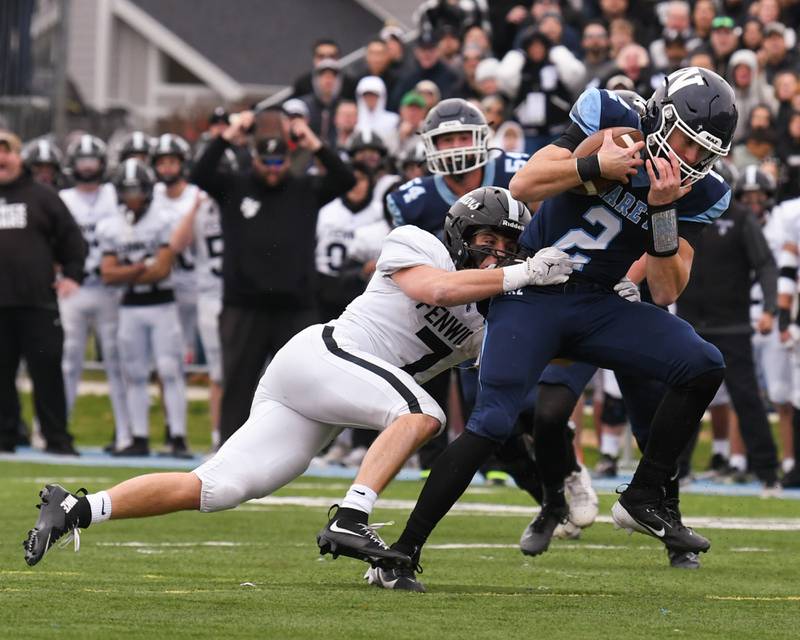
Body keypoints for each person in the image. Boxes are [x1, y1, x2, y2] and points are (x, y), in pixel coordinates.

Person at [21, 186, 573, 567]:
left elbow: (542, 355)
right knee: (422, 412)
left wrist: (597, 307)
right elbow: (438, 291)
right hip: (322, 356)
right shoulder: (419, 242)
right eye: (486, 240)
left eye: (506, 247)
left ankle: (75, 508)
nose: (494, 253)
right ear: (459, 231)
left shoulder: (492, 318)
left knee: (217, 487)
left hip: (330, 399)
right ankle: (353, 517)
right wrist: (522, 272)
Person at [360, 67, 738, 591]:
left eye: (704, 153)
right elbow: (524, 183)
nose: (692, 160)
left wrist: (663, 212)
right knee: (491, 421)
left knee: (702, 364)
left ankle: (645, 495)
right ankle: (402, 552)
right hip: (535, 291)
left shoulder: (702, 191)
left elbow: (669, 288)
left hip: (602, 302)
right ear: (659, 119)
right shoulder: (611, 116)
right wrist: (595, 164)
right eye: (685, 143)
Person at [190, 111, 355, 445]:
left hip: (295, 306)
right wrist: (229, 135)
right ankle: (230, 449)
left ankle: (303, 448)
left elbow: (345, 179)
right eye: (267, 162)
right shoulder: (234, 186)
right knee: (238, 383)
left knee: (304, 381)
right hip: (243, 305)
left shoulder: (305, 188)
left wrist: (313, 143)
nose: (274, 168)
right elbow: (200, 172)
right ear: (255, 159)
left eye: (280, 161)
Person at [676, 165, 782, 492]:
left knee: (747, 398)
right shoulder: (681, 214)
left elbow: (765, 264)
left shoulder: (739, 218)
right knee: (682, 399)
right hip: (689, 323)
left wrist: (769, 307)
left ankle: (767, 472)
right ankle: (673, 471)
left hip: (733, 325)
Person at [0, 130, 86, 455]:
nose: (0, 159)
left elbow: (72, 239)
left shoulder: (43, 196)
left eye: (5, 151)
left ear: (19, 156)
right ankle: (5, 437)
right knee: (1, 376)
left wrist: (72, 276)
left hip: (37, 305)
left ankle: (56, 438)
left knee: (47, 372)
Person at [97, 160, 184, 457]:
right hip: (130, 306)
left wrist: (128, 271)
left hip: (161, 303)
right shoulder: (112, 224)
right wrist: (141, 267)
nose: (131, 195)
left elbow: (161, 270)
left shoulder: (163, 218)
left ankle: (177, 437)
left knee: (169, 370)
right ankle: (139, 437)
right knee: (133, 373)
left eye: (136, 189)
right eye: (126, 189)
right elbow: (107, 274)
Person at [58, 135, 130, 452]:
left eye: (93, 160)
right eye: (82, 160)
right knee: (68, 361)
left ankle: (126, 433)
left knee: (116, 361)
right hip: (73, 286)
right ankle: (56, 429)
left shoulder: (114, 195)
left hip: (108, 288)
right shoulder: (62, 198)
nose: (88, 167)